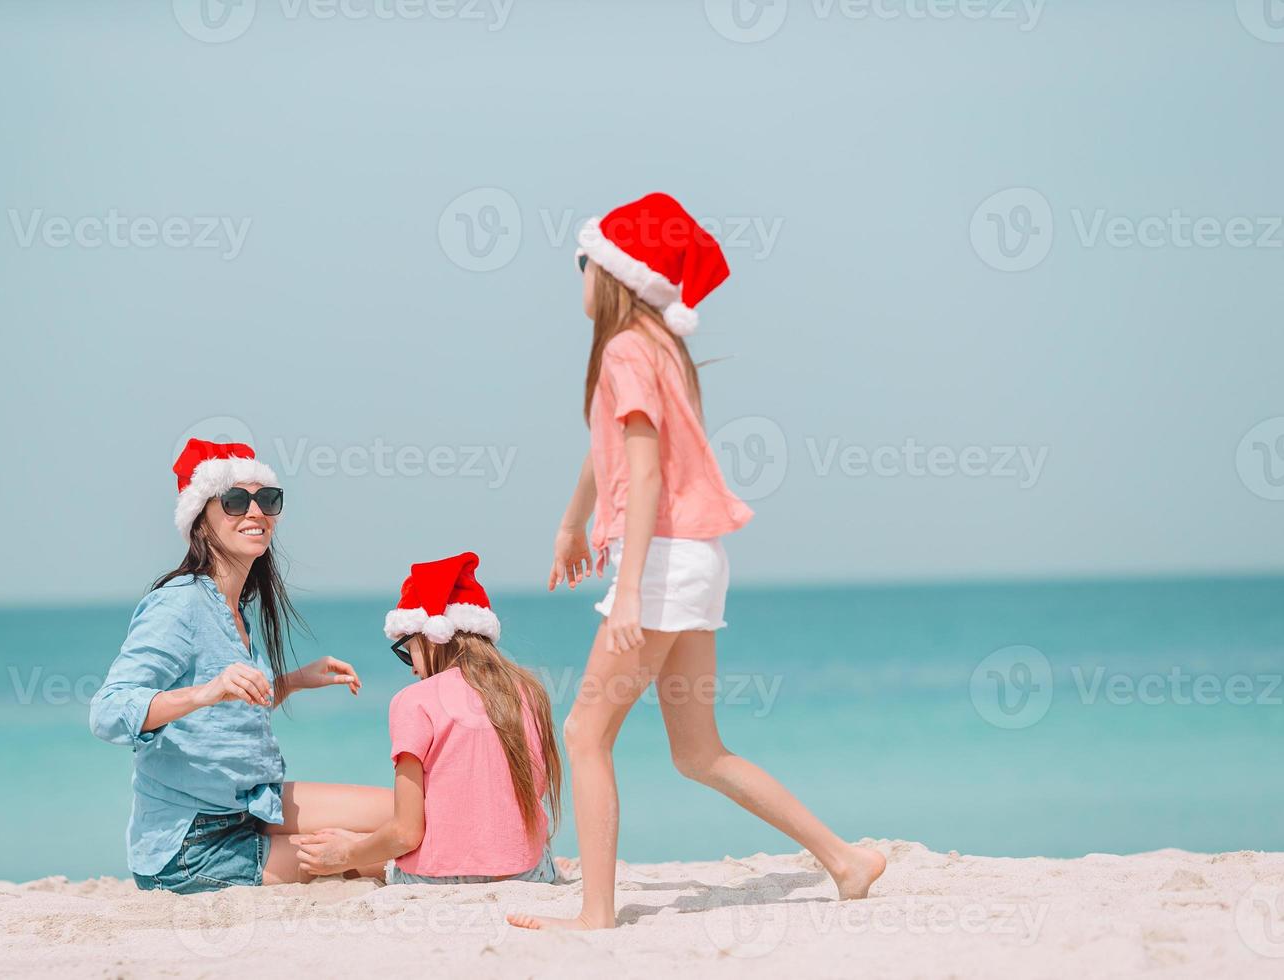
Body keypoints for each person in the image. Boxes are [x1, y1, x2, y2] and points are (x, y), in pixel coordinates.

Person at [509, 194, 886, 930]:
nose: (577, 274)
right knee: (699, 751)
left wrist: (626, 596)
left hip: (661, 565)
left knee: (586, 734)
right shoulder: (659, 348)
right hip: (696, 560)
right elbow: (611, 449)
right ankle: (846, 860)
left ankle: (595, 914)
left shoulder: (624, 350)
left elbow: (646, 474)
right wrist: (572, 523)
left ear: (614, 273)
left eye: (583, 261)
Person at [90, 438, 391, 893]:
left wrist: (292, 682)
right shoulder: (178, 605)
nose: (255, 512)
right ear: (201, 520)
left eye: (267, 499)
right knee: (386, 850)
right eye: (234, 501)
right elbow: (108, 712)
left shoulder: (238, 609)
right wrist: (208, 690)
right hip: (190, 845)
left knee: (404, 817)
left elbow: (224, 722)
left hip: (253, 806)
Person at [296, 552, 563, 886]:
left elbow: (407, 833)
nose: (411, 666)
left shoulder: (414, 701)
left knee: (352, 846)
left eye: (407, 648)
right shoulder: (529, 692)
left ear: (431, 636)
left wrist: (348, 852)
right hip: (528, 875)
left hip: (436, 882)